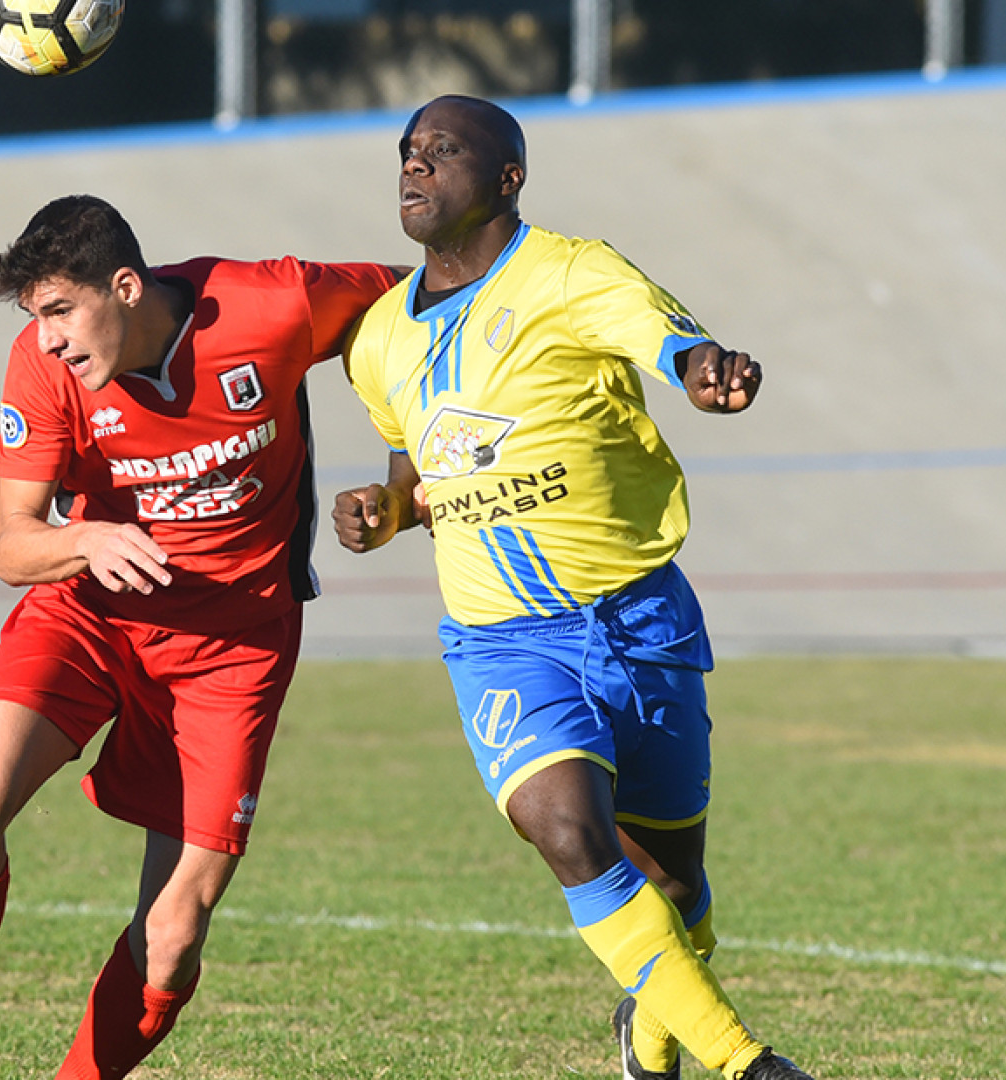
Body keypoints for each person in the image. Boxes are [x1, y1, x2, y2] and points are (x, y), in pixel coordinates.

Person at [331, 96, 816, 1080]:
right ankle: (749, 1066)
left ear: (508, 178)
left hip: (641, 619)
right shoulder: (379, 337)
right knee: (567, 830)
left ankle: (647, 1038)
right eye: (407, 153)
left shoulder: (573, 272)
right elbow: (411, 473)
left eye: (443, 152)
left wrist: (706, 370)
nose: (414, 169)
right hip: (505, 641)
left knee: (676, 889)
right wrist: (384, 515)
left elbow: (673, 346)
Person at [0, 194, 397, 1080]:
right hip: (90, 615)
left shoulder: (273, 305)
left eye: (58, 312)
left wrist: (403, 483)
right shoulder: (42, 371)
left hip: (235, 649)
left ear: (125, 286)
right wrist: (83, 538)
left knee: (173, 937)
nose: (46, 340)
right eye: (33, 319)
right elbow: (12, 540)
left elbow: (415, 318)